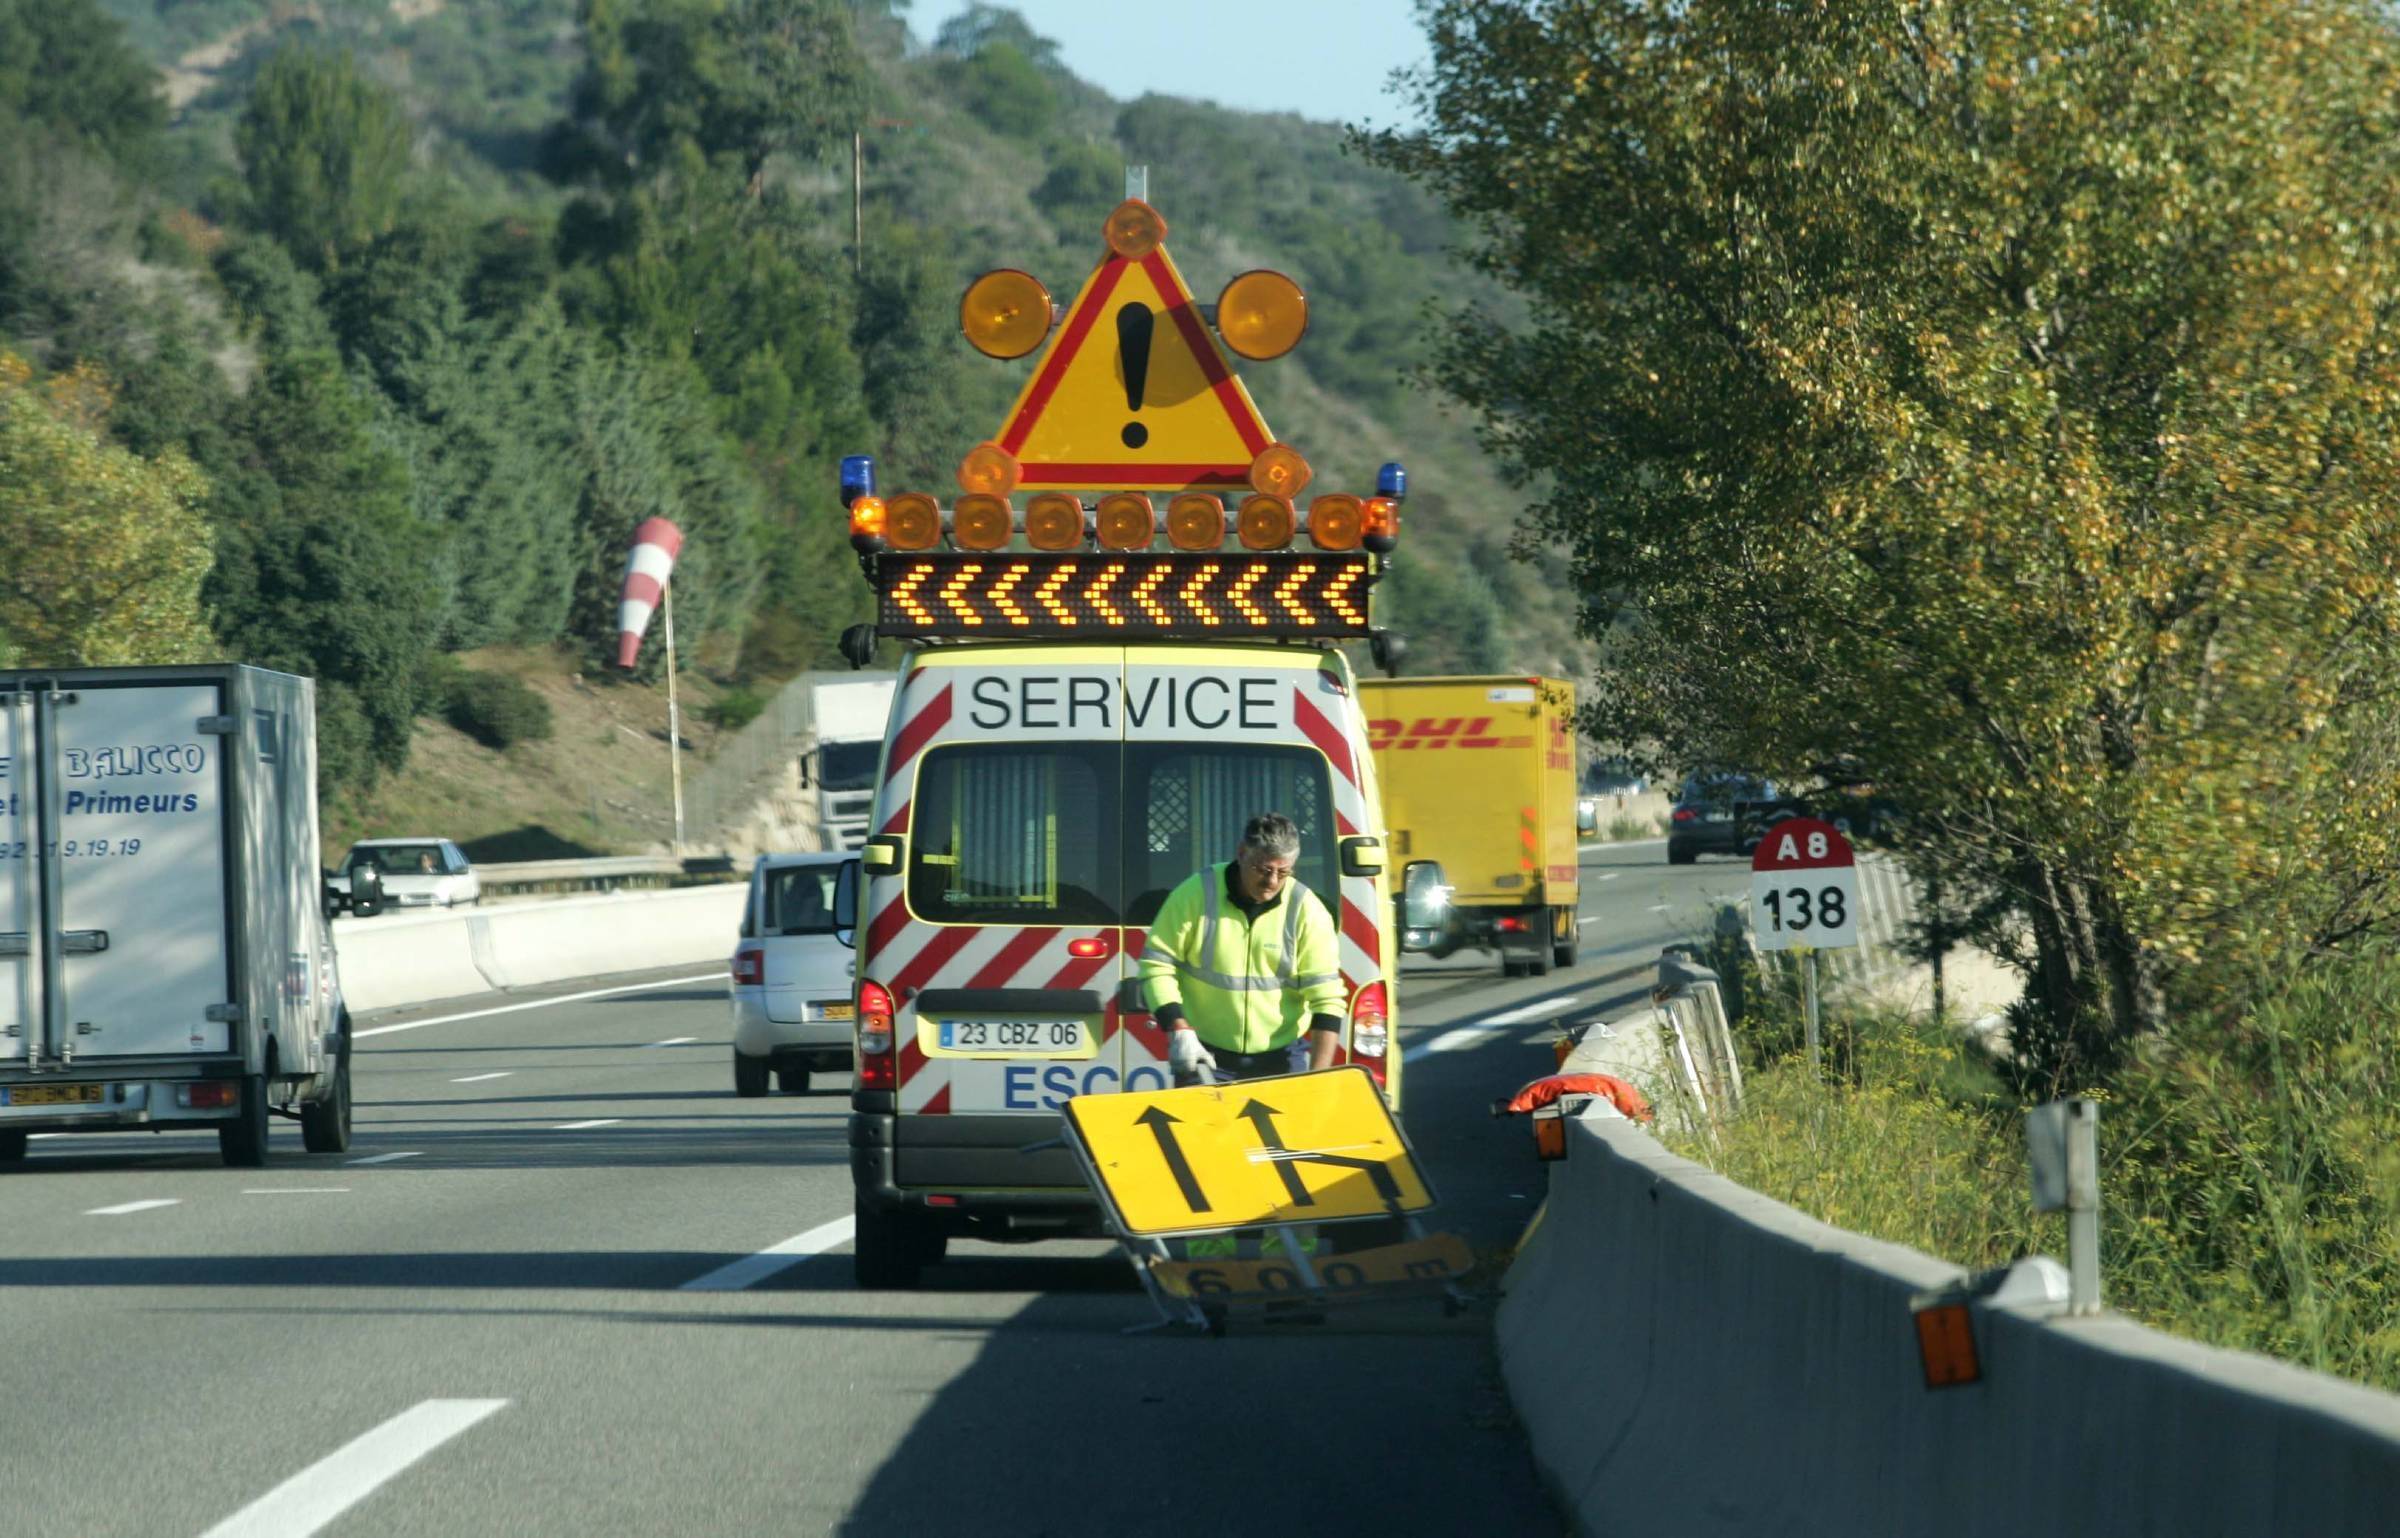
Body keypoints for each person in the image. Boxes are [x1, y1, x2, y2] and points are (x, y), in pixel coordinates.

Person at [1142, 813, 1346, 1087]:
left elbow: (1327, 999)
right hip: (1205, 1057)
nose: (1272, 882)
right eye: (1263, 869)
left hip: (1282, 1059)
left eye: (1283, 872)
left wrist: (1317, 1078)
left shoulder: (1306, 910)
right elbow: (1156, 965)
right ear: (1241, 854)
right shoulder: (1196, 894)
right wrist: (1178, 1028)